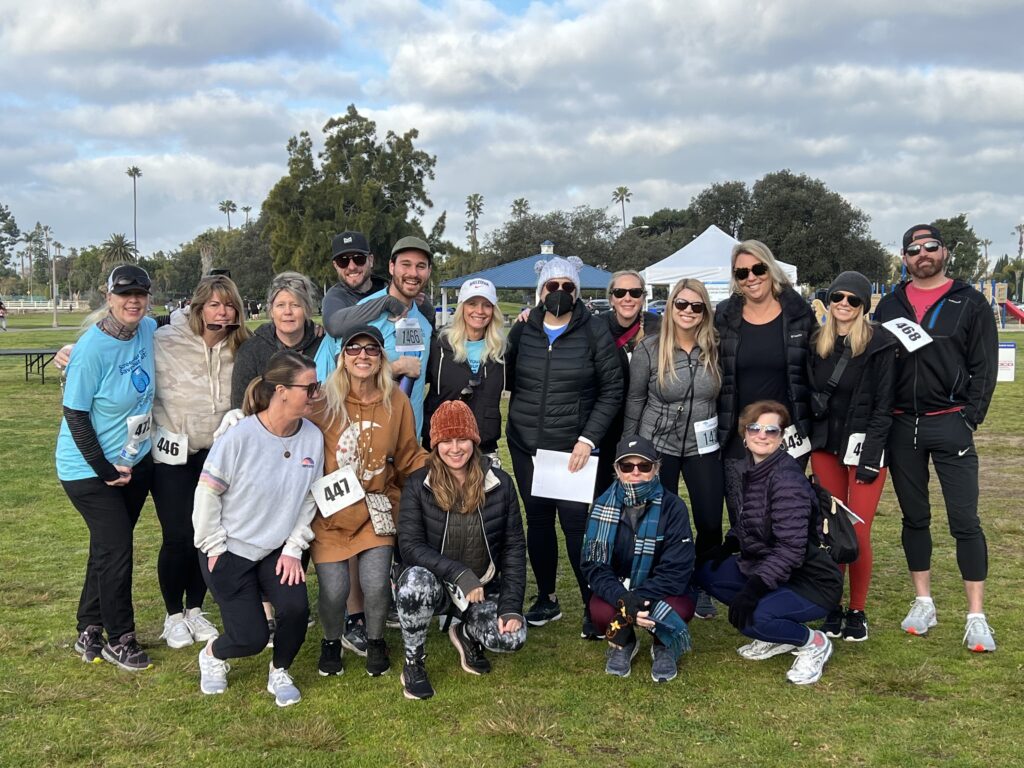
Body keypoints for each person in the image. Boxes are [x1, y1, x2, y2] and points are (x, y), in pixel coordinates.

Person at [875, 224, 999, 652]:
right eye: (913, 249)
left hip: (950, 422)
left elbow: (985, 366)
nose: (922, 254)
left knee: (965, 521)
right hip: (900, 425)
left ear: (944, 252)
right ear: (905, 258)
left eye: (930, 247)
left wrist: (970, 417)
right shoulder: (890, 304)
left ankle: (976, 616)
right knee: (915, 518)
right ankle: (923, 601)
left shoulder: (970, 301)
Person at [194, 351, 324, 706]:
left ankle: (280, 670)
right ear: (281, 391)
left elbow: (310, 499)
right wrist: (214, 547)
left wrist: (294, 548)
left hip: (276, 550)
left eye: (317, 386)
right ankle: (213, 654)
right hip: (228, 551)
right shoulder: (239, 436)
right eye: (309, 388)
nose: (316, 394)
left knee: (296, 610)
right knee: (249, 639)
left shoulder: (313, 437)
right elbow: (207, 494)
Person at [505, 255, 623, 637]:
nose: (559, 293)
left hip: (574, 448)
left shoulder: (594, 331)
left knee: (576, 527)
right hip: (527, 445)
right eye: (552, 287)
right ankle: (546, 597)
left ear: (577, 291)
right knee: (537, 522)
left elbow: (612, 390)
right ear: (541, 292)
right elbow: (506, 375)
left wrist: (588, 439)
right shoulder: (523, 331)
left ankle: (592, 604)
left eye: (567, 287)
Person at [308, 325, 428, 678]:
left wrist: (444, 467)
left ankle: (375, 640)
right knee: (334, 588)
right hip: (330, 513)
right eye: (354, 349)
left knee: (376, 583)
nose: (363, 355)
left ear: (380, 359)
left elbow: (408, 455)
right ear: (342, 358)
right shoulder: (321, 402)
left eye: (371, 349)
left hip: (378, 506)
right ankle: (331, 640)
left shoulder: (397, 401)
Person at [697, 400, 842, 686]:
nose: (762, 435)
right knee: (707, 572)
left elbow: (791, 550)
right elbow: (750, 520)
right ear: (745, 433)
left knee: (752, 618)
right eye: (755, 428)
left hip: (810, 581)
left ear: (781, 436)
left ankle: (813, 643)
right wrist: (728, 545)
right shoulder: (748, 468)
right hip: (768, 568)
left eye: (771, 430)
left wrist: (753, 589)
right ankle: (776, 633)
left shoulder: (787, 479)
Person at [57, 265, 157, 671]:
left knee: (105, 547)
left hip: (132, 461)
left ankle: (89, 627)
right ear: (109, 298)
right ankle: (121, 638)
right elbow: (75, 414)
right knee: (117, 549)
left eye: (140, 293)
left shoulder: (148, 329)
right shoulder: (91, 349)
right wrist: (104, 469)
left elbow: (184, 320)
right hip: (87, 469)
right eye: (124, 294)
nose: (132, 301)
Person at [395, 400, 527, 700]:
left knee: (512, 638)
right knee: (414, 583)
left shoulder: (501, 483)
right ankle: (414, 662)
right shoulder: (418, 484)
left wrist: (511, 606)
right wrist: (458, 573)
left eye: (462, 439)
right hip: (437, 585)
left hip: (482, 586)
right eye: (446, 440)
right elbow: (410, 545)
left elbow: (514, 547)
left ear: (475, 440)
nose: (455, 448)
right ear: (435, 444)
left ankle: (466, 632)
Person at [151, 274, 251, 649]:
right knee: (177, 535)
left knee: (206, 536)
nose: (221, 311)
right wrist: (70, 349)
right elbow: (118, 340)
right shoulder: (164, 338)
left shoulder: (241, 345)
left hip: (218, 456)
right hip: (173, 455)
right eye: (214, 304)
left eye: (228, 304)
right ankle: (173, 615)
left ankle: (195, 609)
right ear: (198, 307)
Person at [623, 278, 723, 619]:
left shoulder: (716, 347)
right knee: (658, 521)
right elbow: (635, 399)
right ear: (670, 307)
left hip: (702, 446)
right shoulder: (649, 349)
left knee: (709, 520)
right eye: (682, 304)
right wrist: (628, 448)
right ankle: (661, 583)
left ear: (705, 311)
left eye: (697, 306)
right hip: (658, 446)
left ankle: (704, 584)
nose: (688, 311)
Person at [808, 271, 897, 642]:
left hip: (865, 450)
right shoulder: (818, 342)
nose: (843, 304)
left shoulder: (880, 344)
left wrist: (871, 456)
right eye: (837, 297)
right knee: (831, 529)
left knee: (857, 532)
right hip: (826, 447)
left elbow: (884, 406)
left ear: (864, 306)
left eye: (852, 300)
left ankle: (857, 610)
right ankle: (832, 605)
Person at [715, 240, 815, 525]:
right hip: (739, 437)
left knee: (784, 519)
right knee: (744, 520)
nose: (751, 278)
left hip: (787, 435)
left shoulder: (798, 313)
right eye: (741, 273)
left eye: (757, 269)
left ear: (770, 269)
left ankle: (783, 571)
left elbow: (818, 361)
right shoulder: (724, 315)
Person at [582, 435, 695, 683]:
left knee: (680, 606)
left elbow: (677, 568)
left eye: (644, 466)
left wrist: (639, 601)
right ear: (617, 470)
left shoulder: (673, 507)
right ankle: (624, 643)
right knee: (600, 611)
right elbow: (594, 566)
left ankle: (662, 644)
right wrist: (624, 600)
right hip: (622, 587)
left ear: (656, 469)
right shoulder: (601, 506)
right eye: (627, 466)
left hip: (661, 588)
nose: (635, 472)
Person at [324, 237, 434, 437]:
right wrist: (393, 369)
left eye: (421, 266)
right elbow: (335, 381)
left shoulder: (424, 325)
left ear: (429, 272)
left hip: (408, 448)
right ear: (392, 267)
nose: (413, 273)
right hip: (361, 442)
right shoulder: (360, 315)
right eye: (405, 265)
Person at [423, 278, 506, 462]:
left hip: (483, 447)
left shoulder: (502, 350)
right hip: (442, 446)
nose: (479, 311)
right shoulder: (439, 346)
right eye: (472, 304)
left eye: (486, 305)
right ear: (462, 307)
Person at [595, 270, 661, 493]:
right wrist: (532, 315)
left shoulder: (658, 326)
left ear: (643, 296)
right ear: (611, 297)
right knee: (603, 487)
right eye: (620, 292)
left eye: (634, 292)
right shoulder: (595, 326)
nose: (627, 298)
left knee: (641, 483)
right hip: (607, 419)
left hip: (645, 419)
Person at [230, 272, 324, 409]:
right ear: (271, 311)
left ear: (306, 310)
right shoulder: (251, 351)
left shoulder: (323, 345)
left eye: (295, 305)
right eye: (280, 305)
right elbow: (240, 405)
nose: (287, 312)